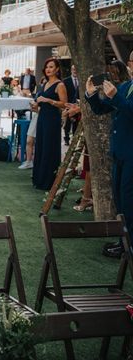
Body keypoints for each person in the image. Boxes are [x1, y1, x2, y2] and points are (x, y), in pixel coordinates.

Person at [85, 60, 132, 258]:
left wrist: (116, 97)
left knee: (129, 200)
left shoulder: (121, 90)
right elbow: (102, 109)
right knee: (120, 200)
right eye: (132, 60)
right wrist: (91, 94)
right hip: (119, 151)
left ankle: (130, 246)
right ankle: (124, 241)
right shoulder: (127, 86)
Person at [32, 58, 68, 190]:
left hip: (52, 120)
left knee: (49, 148)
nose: (48, 69)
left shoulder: (60, 85)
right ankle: (39, 179)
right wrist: (36, 105)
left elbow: (64, 104)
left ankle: (48, 181)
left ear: (57, 69)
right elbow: (40, 103)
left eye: (51, 67)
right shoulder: (44, 84)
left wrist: (48, 100)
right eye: (47, 67)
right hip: (42, 118)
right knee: (40, 147)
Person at [63, 64, 80, 145]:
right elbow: (64, 93)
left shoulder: (81, 80)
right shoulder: (66, 81)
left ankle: (74, 140)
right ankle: (66, 138)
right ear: (71, 70)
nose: (75, 71)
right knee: (67, 124)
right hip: (68, 105)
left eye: (76, 69)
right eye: (73, 69)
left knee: (76, 124)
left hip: (78, 106)